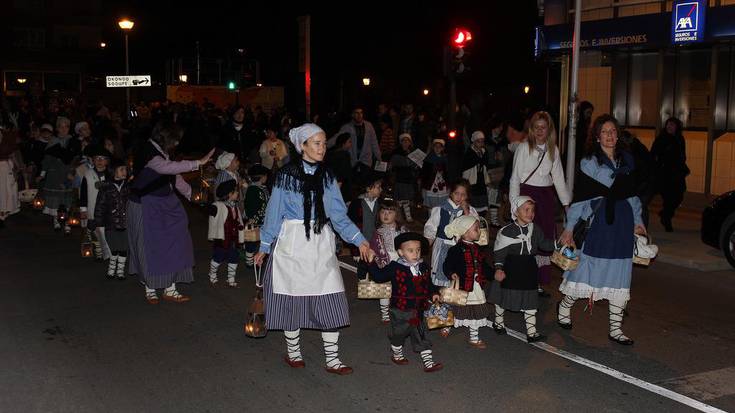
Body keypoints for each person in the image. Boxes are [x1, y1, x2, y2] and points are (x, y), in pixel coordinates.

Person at [254, 123, 372, 376]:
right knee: (291, 299)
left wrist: (359, 240)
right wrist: (264, 245)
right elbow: (274, 213)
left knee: (330, 296)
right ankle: (294, 354)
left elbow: (339, 215)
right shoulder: (286, 176)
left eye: (323, 143)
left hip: (320, 243)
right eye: (316, 143)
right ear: (302, 146)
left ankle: (333, 360)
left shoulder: (327, 176)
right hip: (292, 243)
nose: (322, 148)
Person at [558, 114, 646, 346]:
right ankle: (565, 307)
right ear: (597, 137)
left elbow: (633, 197)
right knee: (585, 272)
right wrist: (568, 228)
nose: (609, 135)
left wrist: (639, 222)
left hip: (622, 225)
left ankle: (616, 329)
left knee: (620, 275)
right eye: (604, 131)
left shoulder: (626, 162)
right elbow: (582, 199)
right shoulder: (589, 163)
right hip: (598, 225)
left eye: (613, 131)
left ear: (618, 135)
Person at [128, 121, 215, 304]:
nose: (177, 144)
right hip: (146, 204)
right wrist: (198, 162)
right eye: (175, 140)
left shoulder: (162, 151)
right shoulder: (148, 152)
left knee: (177, 241)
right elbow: (166, 168)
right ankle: (150, 288)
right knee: (149, 247)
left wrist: (192, 195)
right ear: (165, 137)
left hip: (166, 202)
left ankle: (170, 288)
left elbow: (173, 177)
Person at [509, 111, 570, 297]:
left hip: (545, 199)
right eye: (537, 127)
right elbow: (515, 178)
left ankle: (536, 283)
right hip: (527, 197)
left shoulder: (554, 149)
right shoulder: (523, 148)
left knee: (543, 241)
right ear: (532, 129)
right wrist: (514, 207)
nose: (540, 131)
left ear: (549, 129)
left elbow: (558, 177)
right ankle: (522, 281)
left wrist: (566, 204)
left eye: (544, 127)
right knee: (526, 241)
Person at [367, 232, 443, 372]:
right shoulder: (395, 267)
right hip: (400, 310)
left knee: (421, 332)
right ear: (401, 252)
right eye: (411, 250)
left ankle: (428, 362)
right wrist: (371, 263)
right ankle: (397, 353)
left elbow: (428, 283)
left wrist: (434, 293)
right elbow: (378, 277)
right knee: (399, 334)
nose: (416, 253)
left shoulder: (423, 266)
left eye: (418, 250)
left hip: (419, 308)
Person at [489, 196, 556, 343]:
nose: (530, 213)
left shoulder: (535, 229)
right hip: (510, 269)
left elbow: (544, 244)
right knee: (504, 297)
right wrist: (499, 268)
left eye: (532, 210)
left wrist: (558, 244)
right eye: (526, 210)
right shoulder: (506, 231)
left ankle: (532, 333)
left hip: (528, 269)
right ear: (516, 212)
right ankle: (498, 322)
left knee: (530, 300)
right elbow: (499, 253)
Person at [424, 179, 479, 338]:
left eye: (463, 194)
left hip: (460, 250)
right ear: (451, 193)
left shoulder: (469, 210)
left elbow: (474, 227)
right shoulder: (440, 209)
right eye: (456, 193)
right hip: (442, 248)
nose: (459, 197)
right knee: (441, 284)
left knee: (454, 285)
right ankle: (440, 317)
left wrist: (466, 211)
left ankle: (449, 317)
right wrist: (426, 244)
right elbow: (431, 228)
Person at [442, 215, 493, 348]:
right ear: (465, 232)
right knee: (455, 308)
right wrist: (451, 273)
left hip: (475, 286)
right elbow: (447, 265)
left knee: (475, 311)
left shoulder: (478, 248)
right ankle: (447, 325)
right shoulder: (456, 249)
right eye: (476, 229)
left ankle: (474, 337)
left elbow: (483, 265)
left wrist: (493, 274)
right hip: (460, 285)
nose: (479, 231)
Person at [369, 198, 407, 323]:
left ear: (396, 215)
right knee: (384, 288)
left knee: (400, 286)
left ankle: (399, 308)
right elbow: (374, 247)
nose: (385, 215)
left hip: (401, 259)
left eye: (390, 212)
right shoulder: (378, 232)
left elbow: (408, 244)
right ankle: (385, 311)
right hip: (385, 260)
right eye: (383, 212)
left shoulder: (402, 230)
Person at [91, 158, 130, 280]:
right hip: (111, 223)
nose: (124, 172)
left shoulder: (128, 187)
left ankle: (120, 270)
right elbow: (100, 206)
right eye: (121, 169)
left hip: (125, 223)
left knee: (124, 247)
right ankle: (112, 268)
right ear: (113, 172)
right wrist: (97, 221)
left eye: (126, 169)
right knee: (114, 247)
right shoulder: (106, 188)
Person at [651, 117, 688, 232]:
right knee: (668, 198)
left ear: (677, 127)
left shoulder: (680, 139)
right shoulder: (661, 139)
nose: (669, 127)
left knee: (679, 196)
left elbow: (682, 155)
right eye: (668, 124)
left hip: (677, 173)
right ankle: (667, 219)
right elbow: (654, 154)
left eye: (672, 125)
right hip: (665, 173)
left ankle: (665, 214)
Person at [40, 118, 76, 234]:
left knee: (67, 199)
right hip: (55, 174)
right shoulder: (53, 141)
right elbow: (47, 159)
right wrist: (42, 174)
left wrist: (74, 172)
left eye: (66, 126)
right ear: (57, 128)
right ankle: (56, 219)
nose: (63, 129)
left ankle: (67, 222)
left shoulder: (72, 141)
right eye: (61, 126)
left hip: (68, 173)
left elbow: (76, 158)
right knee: (55, 198)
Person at [207, 180, 244, 288]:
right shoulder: (218, 206)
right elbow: (212, 211)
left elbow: (238, 220)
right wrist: (209, 208)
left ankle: (231, 278)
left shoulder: (235, 207)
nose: (238, 193)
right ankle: (212, 273)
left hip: (234, 239)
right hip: (222, 239)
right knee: (218, 257)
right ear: (229, 194)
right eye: (236, 192)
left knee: (234, 258)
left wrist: (241, 227)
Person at [328, 106, 381, 179]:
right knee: (353, 183)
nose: (359, 115)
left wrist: (379, 157)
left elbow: (374, 143)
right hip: (352, 161)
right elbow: (337, 137)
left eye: (361, 113)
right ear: (352, 114)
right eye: (357, 113)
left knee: (365, 184)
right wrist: (325, 145)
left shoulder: (369, 126)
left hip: (366, 161)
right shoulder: (347, 127)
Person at [348, 172, 383, 279]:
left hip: (377, 243)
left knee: (378, 268)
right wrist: (354, 249)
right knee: (363, 269)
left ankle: (377, 292)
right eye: (378, 187)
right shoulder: (357, 204)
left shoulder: (380, 203)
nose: (381, 189)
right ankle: (364, 290)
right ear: (368, 189)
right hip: (362, 243)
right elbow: (351, 225)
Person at [80, 145, 112, 260]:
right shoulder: (88, 175)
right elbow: (83, 193)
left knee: (105, 231)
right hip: (92, 208)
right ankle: (98, 249)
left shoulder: (111, 175)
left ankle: (107, 253)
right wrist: (83, 209)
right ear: (93, 160)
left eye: (102, 158)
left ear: (107, 161)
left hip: (107, 209)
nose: (99, 161)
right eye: (97, 158)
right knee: (95, 230)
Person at [242, 164, 270, 267]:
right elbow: (250, 205)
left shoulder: (263, 188)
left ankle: (260, 258)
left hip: (264, 219)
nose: (266, 178)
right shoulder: (252, 190)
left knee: (262, 239)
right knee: (252, 240)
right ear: (262, 177)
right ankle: (249, 261)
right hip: (255, 220)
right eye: (265, 176)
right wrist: (252, 218)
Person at [462, 130, 494, 215]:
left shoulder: (484, 152)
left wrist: (487, 181)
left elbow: (485, 167)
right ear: (474, 141)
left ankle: (481, 220)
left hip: (481, 180)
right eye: (478, 141)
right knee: (473, 204)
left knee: (483, 204)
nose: (480, 143)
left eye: (482, 141)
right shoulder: (469, 153)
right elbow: (466, 167)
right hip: (472, 181)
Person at [389, 133, 419, 222]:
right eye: (404, 141)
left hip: (409, 179)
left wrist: (416, 165)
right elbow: (394, 164)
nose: (406, 143)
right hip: (399, 178)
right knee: (399, 199)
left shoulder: (413, 152)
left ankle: (408, 216)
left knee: (407, 199)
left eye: (408, 141)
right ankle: (398, 216)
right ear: (401, 142)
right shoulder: (396, 152)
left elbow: (415, 166)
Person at [420, 138, 449, 208]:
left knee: (441, 201)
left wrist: (443, 173)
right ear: (433, 147)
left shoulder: (445, 158)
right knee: (431, 201)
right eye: (436, 146)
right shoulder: (429, 158)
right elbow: (424, 172)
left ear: (442, 148)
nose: (437, 148)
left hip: (441, 182)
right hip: (431, 182)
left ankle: (438, 216)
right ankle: (431, 216)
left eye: (440, 147)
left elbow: (447, 171)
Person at [0, 129, 20, 228]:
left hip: (5, 167)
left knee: (6, 191)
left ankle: (2, 216)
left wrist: (17, 168)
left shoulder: (6, 136)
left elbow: (12, 155)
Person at [326, 132, 353, 202]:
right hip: (341, 185)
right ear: (343, 143)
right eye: (349, 142)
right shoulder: (344, 155)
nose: (351, 144)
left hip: (331, 183)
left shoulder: (331, 154)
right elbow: (345, 172)